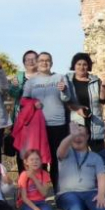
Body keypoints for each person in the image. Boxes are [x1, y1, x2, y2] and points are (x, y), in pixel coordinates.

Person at [22, 52, 70, 189]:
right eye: (41, 60)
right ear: (37, 63)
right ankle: (39, 192)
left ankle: (58, 191)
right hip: (37, 127)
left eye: (47, 60)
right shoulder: (31, 82)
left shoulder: (60, 77)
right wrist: (33, 104)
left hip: (57, 124)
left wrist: (64, 90)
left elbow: (67, 99)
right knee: (38, 160)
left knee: (57, 159)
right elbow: (23, 101)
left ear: (52, 62)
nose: (44, 63)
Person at [67, 53, 105, 152]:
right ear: (74, 65)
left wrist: (103, 87)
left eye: (84, 64)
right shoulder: (67, 81)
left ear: (88, 66)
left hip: (94, 124)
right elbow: (64, 101)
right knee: (77, 157)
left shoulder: (95, 81)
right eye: (79, 64)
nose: (82, 67)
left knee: (99, 156)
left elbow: (103, 100)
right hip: (75, 123)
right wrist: (77, 109)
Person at [8, 50, 38, 171]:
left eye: (34, 59)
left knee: (38, 153)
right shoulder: (18, 77)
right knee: (21, 154)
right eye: (28, 59)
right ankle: (23, 184)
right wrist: (15, 87)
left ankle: (39, 186)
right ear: (24, 63)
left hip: (38, 121)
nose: (31, 62)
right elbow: (13, 95)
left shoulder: (44, 77)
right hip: (21, 121)